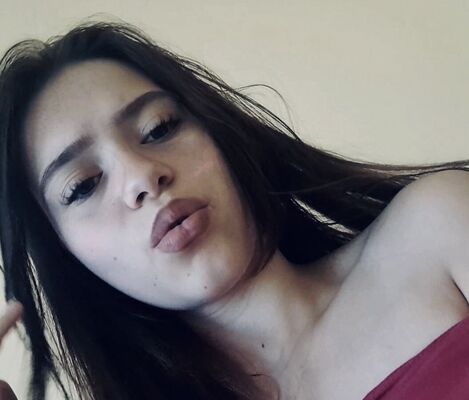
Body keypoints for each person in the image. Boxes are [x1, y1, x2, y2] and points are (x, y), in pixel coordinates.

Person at [0, 21, 469, 400]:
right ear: (67, 256)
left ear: (219, 131)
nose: (142, 176)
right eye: (83, 186)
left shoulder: (435, 231)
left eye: (159, 127)